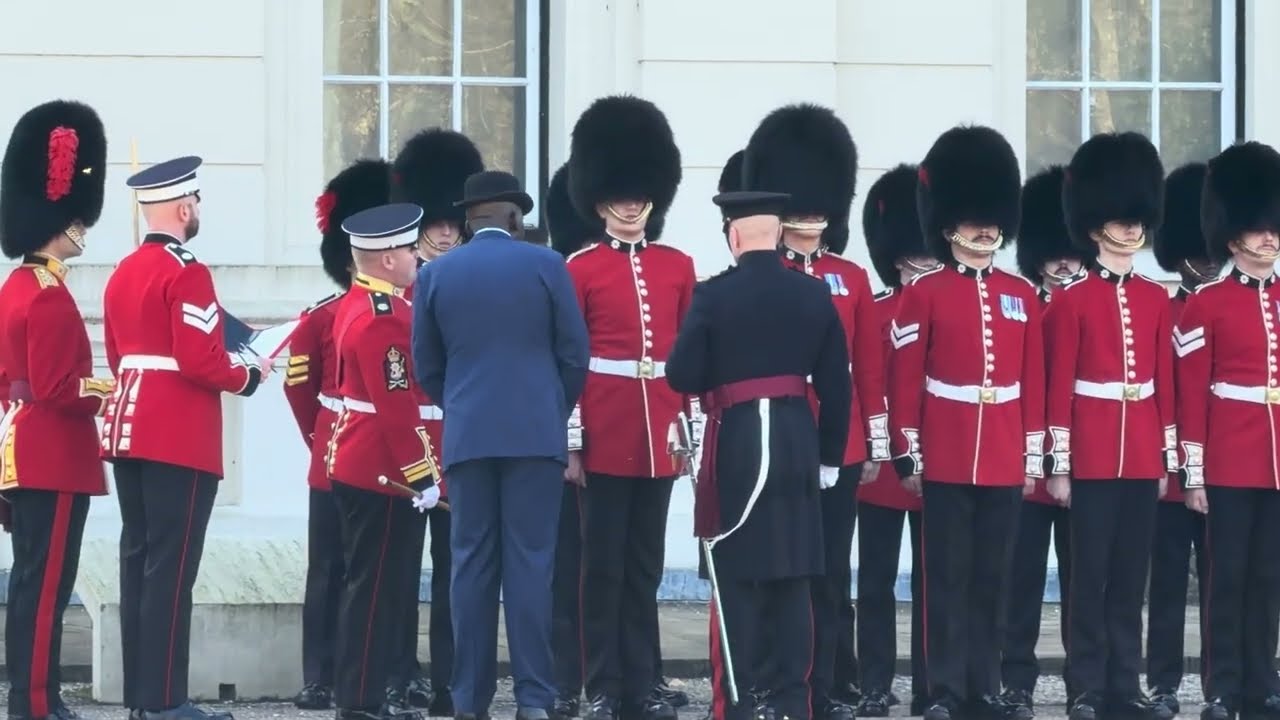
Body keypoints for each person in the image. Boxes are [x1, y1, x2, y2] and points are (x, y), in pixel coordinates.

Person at [411, 170, 589, 720]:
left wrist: (464, 405)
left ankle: (469, 699)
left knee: (470, 568)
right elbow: (574, 355)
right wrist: (547, 409)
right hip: (535, 436)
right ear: (514, 217)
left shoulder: (436, 274)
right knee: (531, 568)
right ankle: (534, 699)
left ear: (470, 219)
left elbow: (427, 366)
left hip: (469, 434)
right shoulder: (548, 265)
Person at [667, 189, 851, 720]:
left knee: (738, 571)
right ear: (778, 234)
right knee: (794, 571)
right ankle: (793, 698)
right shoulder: (813, 293)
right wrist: (829, 458)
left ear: (734, 235)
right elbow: (837, 384)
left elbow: (682, 373)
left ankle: (741, 699)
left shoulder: (714, 295)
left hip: (739, 435)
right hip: (797, 437)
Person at [102, 155, 270, 720]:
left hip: (128, 429)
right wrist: (249, 374)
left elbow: (121, 357)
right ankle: (166, 701)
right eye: (195, 202)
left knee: (140, 564)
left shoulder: (123, 269)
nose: (197, 211)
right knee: (172, 570)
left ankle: (141, 699)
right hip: (177, 434)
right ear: (182, 206)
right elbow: (200, 360)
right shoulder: (188, 270)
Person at [886, 125, 1044, 720]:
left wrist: (1031, 455)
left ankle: (986, 687)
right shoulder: (924, 293)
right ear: (949, 225)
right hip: (947, 453)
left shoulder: (1020, 294)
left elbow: (1031, 380)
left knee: (992, 581)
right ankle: (944, 691)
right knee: (946, 584)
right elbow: (904, 382)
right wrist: (908, 452)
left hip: (1002, 452)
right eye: (974, 219)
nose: (986, 229)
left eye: (991, 218)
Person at [744, 103, 883, 720]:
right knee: (782, 569)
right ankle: (780, 683)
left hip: (839, 442)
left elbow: (869, 370)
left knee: (830, 574)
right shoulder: (765, 273)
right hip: (781, 437)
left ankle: (825, 687)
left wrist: (873, 441)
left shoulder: (851, 278)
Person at [561, 95, 696, 720]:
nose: (631, 203)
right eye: (620, 193)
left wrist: (688, 430)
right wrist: (572, 440)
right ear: (599, 198)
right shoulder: (579, 268)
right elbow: (570, 361)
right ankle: (602, 685)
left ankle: (643, 681)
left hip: (660, 431)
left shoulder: (677, 267)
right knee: (601, 570)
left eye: (640, 193)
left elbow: (689, 359)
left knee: (646, 569)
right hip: (606, 429)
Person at [1050, 132, 1174, 720]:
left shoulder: (1155, 297)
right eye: (1119, 220)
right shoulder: (1070, 300)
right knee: (1089, 579)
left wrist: (1166, 458)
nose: (1129, 229)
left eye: (1135, 220)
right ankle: (1086, 687)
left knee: (1130, 580)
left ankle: (1126, 684)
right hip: (1092, 452)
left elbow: (1163, 387)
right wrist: (1059, 463)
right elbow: (1059, 388)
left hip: (1142, 450)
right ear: (1095, 223)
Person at [0, 99, 113, 720]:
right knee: (46, 586)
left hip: (24, 449)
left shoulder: (15, 289)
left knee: (29, 583)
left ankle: (28, 694)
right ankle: (37, 701)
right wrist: (108, 390)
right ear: (60, 222)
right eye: (77, 222)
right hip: (54, 455)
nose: (82, 231)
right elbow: (57, 389)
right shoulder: (45, 298)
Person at [325, 202, 444, 720]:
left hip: (364, 462)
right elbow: (397, 410)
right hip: (384, 471)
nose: (416, 255)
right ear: (389, 258)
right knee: (375, 592)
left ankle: (361, 694)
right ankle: (362, 700)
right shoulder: (384, 319)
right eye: (408, 248)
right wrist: (426, 476)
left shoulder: (362, 304)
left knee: (370, 587)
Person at [1176, 140, 1280, 720]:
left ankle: (1264, 682)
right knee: (1226, 579)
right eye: (1259, 227)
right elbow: (1193, 396)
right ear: (1233, 234)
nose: (1270, 237)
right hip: (1229, 460)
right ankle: (1222, 686)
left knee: (1269, 579)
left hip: (1276, 459)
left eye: (1275, 227)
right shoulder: (1206, 305)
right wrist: (1194, 473)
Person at [285, 158, 391, 711]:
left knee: (382, 574)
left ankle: (392, 669)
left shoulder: (405, 309)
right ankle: (320, 673)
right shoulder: (323, 316)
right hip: (334, 453)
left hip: (388, 457)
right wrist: (320, 442)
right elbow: (299, 389)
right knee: (328, 568)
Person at [389, 127, 484, 716]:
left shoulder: (475, 281)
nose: (445, 231)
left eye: (453, 221)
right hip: (405, 444)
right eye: (436, 222)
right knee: (397, 574)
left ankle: (452, 684)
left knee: (458, 572)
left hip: (457, 438)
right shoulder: (392, 292)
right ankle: (399, 675)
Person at [1000, 164, 1082, 714]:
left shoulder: (1096, 304)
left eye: (1071, 251)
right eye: (1053, 253)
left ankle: (1085, 686)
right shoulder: (1019, 304)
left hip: (1084, 467)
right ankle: (1014, 684)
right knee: (1018, 587)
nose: (1062, 262)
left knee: (1085, 587)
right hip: (1026, 471)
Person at [853, 163, 935, 718]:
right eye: (915, 255)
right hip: (883, 470)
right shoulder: (877, 310)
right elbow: (865, 385)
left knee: (935, 586)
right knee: (876, 585)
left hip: (943, 462)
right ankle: (874, 683)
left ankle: (932, 685)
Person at [1144, 161, 1219, 716]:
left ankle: (1221, 682)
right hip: (1170, 476)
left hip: (1229, 469)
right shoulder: (1164, 311)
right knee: (1166, 586)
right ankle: (1164, 682)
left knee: (1226, 584)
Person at [545, 160, 599, 720]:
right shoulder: (559, 275)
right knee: (566, 568)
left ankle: (622, 673)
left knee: (614, 567)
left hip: (620, 437)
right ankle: (566, 679)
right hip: (563, 440)